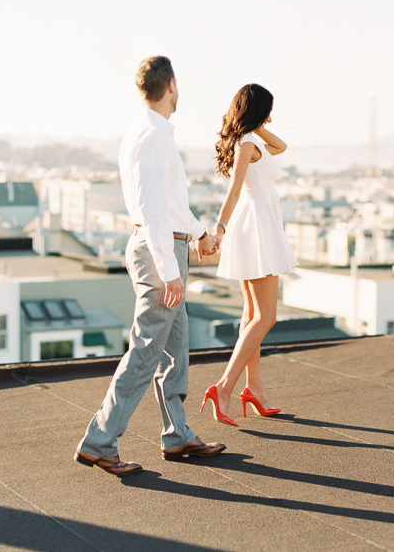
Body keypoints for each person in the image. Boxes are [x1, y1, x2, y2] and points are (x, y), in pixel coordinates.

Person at [75, 56, 226, 476]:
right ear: (172, 86)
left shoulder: (149, 133)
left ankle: (177, 436)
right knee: (146, 351)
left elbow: (172, 204)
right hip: (159, 251)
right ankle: (99, 441)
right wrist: (169, 269)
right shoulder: (154, 136)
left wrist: (198, 234)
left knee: (174, 349)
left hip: (165, 244)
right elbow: (153, 208)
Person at [200, 83, 298, 427]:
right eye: (268, 110)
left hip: (257, 225)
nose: (272, 117)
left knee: (252, 313)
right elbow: (234, 190)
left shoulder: (253, 140)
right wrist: (219, 230)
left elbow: (282, 146)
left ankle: (253, 388)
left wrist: (256, 124)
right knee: (266, 317)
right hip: (254, 227)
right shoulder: (246, 145)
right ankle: (224, 387)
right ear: (258, 110)